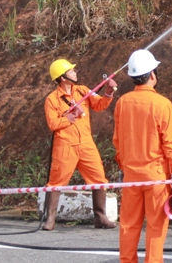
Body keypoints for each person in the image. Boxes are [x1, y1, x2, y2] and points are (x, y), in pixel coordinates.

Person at [113, 49, 172, 263]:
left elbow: (117, 140)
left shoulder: (122, 102)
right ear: (152, 75)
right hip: (156, 177)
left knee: (128, 225)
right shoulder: (162, 104)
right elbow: (170, 144)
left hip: (131, 177)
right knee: (156, 226)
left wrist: (123, 166)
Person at [41, 58, 118, 230]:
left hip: (86, 143)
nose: (75, 72)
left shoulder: (83, 91)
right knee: (56, 182)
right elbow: (53, 124)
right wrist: (68, 118)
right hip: (65, 145)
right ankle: (50, 219)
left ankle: (100, 217)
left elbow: (99, 105)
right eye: (71, 71)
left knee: (99, 179)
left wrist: (108, 93)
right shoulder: (52, 99)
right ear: (62, 77)